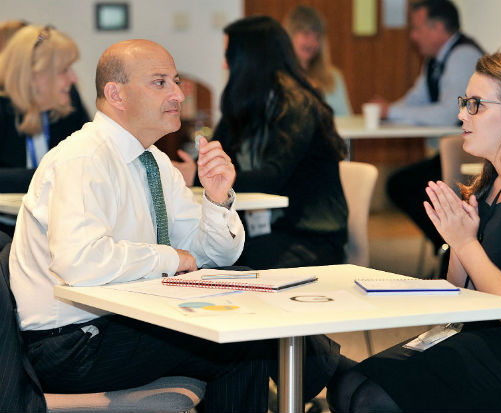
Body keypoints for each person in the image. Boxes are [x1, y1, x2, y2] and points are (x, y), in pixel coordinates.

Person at [328, 52, 501, 412]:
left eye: (475, 105)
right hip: (489, 334)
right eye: (464, 103)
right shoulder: (494, 179)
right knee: (348, 387)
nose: (461, 114)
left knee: (372, 399)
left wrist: (464, 240)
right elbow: (461, 292)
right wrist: (458, 239)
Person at [9, 38, 266, 412]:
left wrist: (216, 199)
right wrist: (168, 259)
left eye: (176, 81)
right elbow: (79, 263)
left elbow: (212, 255)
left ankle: (334, 375)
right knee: (242, 344)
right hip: (68, 343)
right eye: (160, 82)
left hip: (123, 319)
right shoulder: (83, 159)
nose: (178, 93)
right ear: (117, 94)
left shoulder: (154, 161)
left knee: (243, 291)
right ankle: (341, 379)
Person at [213, 16, 349, 270]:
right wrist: (204, 169)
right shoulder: (245, 103)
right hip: (268, 231)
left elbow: (272, 177)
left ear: (248, 60)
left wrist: (203, 177)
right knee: (210, 256)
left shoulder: (296, 106)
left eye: (228, 55)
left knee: (223, 265)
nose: (224, 64)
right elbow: (217, 154)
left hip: (311, 237)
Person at [381, 0, 484, 258]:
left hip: (473, 154)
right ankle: (446, 242)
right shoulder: (435, 60)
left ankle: (448, 244)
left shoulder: (463, 55)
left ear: (438, 28)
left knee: (402, 184)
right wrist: (388, 110)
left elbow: (447, 113)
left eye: (417, 28)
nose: (413, 36)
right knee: (404, 184)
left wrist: (391, 112)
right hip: (454, 150)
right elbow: (416, 99)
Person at [0, 24, 90, 193]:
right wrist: (52, 174)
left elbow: (90, 163)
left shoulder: (70, 101)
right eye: (64, 70)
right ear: (34, 76)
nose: (73, 78)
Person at [284, 5, 352, 116]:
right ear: (290, 35)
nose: (312, 42)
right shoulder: (278, 77)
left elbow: (347, 122)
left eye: (317, 37)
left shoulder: (333, 78)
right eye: (306, 34)